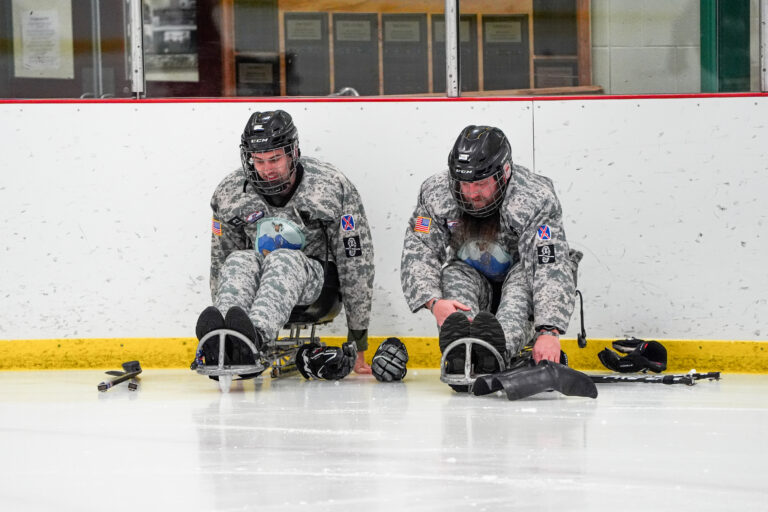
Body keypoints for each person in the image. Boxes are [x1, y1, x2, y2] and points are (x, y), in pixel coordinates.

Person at [196, 110, 375, 376]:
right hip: (260, 283)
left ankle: (254, 341)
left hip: (318, 286)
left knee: (283, 258)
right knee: (239, 259)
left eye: (275, 159)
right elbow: (221, 263)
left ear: (293, 153)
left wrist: (358, 343)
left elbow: (356, 263)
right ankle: (225, 342)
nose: (267, 169)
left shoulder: (329, 186)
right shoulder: (230, 194)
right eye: (259, 161)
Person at [400, 125, 581, 380]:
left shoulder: (535, 197)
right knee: (453, 272)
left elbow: (548, 262)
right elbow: (420, 246)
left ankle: (494, 353)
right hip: (473, 279)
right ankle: (461, 351)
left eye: (482, 184)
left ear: (504, 173)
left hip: (520, 279)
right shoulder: (435, 194)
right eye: (465, 184)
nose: (472, 193)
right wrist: (434, 302)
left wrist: (549, 331)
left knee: (523, 279)